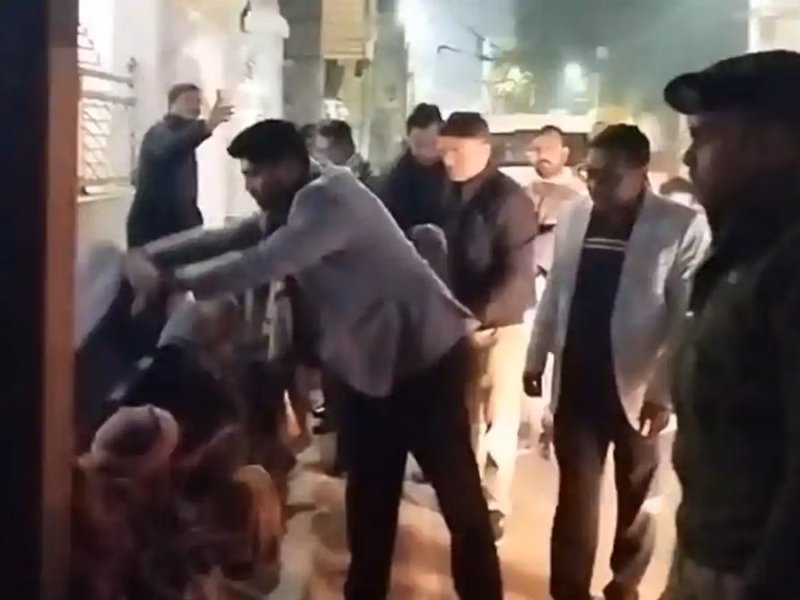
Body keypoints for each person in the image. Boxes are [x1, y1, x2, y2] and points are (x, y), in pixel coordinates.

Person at [122, 119, 503, 600]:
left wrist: (170, 283)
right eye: (245, 174)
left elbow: (262, 261)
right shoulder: (296, 199)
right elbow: (235, 235)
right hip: (371, 366)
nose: (250, 185)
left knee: (460, 503)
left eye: (256, 173)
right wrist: (151, 255)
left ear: (287, 168)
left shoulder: (330, 200)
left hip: (427, 359)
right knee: (370, 501)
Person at [523, 124, 710, 600]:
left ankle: (624, 585)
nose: (595, 185)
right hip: (578, 382)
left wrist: (663, 392)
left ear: (641, 171)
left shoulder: (679, 226)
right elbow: (556, 293)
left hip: (638, 389)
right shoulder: (574, 216)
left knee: (638, 498)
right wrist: (536, 357)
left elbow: (685, 316)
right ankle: (569, 590)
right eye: (591, 173)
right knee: (575, 498)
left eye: (609, 177)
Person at [659, 50, 800, 600]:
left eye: (706, 137)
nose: (688, 157)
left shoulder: (787, 261)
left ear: (772, 144)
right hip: (710, 555)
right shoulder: (747, 248)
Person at [438, 111, 538, 541]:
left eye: (455, 151)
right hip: (456, 325)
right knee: (465, 417)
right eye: (443, 151)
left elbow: (517, 275)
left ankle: (495, 503)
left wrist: (475, 317)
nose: (447, 160)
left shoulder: (508, 200)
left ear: (483, 149)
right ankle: (467, 493)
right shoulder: (447, 194)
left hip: (500, 326)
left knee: (498, 418)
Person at [521, 125, 587, 449]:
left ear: (564, 153)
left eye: (547, 150)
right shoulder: (523, 191)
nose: (541, 157)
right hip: (529, 286)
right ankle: (536, 426)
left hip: (563, 285)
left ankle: (552, 421)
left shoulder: (581, 194)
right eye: (536, 150)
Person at [126, 84, 234, 248]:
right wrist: (206, 126)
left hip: (179, 229)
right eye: (188, 100)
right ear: (172, 104)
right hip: (153, 232)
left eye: (198, 102)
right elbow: (170, 147)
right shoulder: (158, 132)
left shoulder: (185, 140)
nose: (195, 107)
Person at [380, 102, 449, 232]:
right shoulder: (398, 177)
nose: (427, 153)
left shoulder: (454, 170)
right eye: (420, 145)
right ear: (409, 141)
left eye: (433, 144)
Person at [313, 119, 375, 186]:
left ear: (343, 146)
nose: (317, 157)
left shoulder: (367, 179)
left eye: (322, 150)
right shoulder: (323, 174)